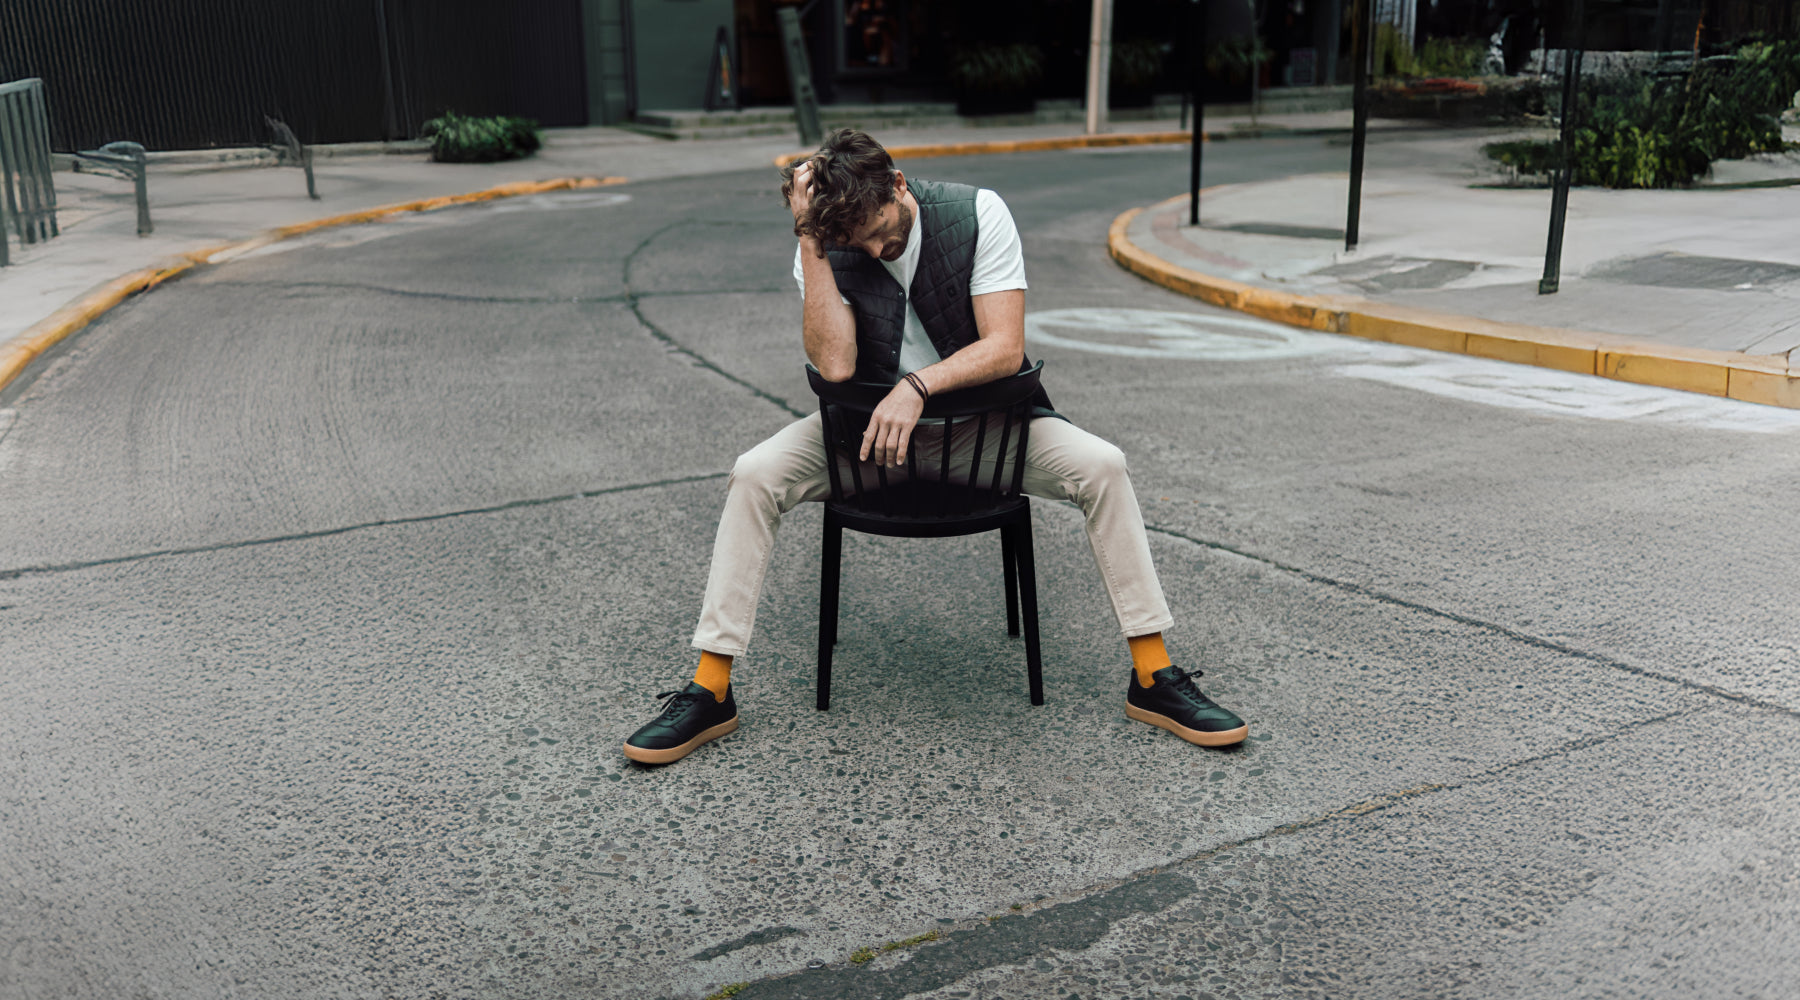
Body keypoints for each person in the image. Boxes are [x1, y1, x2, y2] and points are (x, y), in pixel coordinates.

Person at [623, 129, 1247, 765]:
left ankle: (1152, 675)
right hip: (866, 440)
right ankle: (711, 689)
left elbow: (1003, 346)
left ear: (898, 184)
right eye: (855, 241)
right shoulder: (825, 239)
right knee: (753, 474)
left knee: (1104, 466)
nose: (873, 249)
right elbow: (835, 365)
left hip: (985, 433)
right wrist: (811, 239)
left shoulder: (979, 213)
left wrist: (917, 386)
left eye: (878, 230)